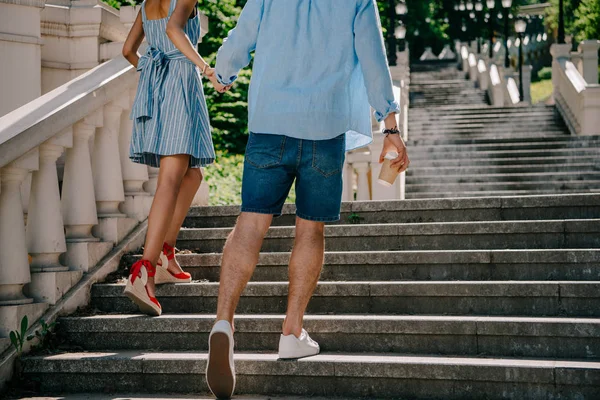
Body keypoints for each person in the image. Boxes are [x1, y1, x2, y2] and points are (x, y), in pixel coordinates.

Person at [204, 0, 410, 398]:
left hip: (269, 124)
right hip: (324, 128)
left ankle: (224, 324)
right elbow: (373, 58)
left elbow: (241, 37)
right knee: (310, 229)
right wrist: (390, 125)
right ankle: (291, 332)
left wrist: (224, 72)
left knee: (250, 223)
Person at [121, 0, 227, 316]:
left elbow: (128, 50)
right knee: (170, 180)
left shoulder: (145, 4)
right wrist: (206, 68)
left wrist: (153, 65)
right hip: (180, 85)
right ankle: (144, 271)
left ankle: (165, 254)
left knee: (192, 175)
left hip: (159, 86)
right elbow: (173, 28)